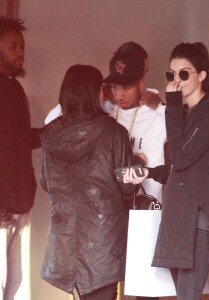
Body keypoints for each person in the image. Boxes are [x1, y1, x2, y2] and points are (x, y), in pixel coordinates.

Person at [124, 42, 209, 300]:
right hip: (181, 218)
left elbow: (182, 158)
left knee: (187, 295)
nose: (177, 81)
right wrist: (149, 173)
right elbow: (178, 166)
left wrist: (171, 107)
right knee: (185, 293)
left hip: (198, 219)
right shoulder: (186, 113)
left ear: (202, 75)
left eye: (184, 74)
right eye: (171, 75)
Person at [39, 64, 137, 300]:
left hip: (66, 237)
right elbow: (127, 185)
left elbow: (45, 181)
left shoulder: (50, 134)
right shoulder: (114, 132)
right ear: (93, 92)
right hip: (104, 238)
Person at [103, 53, 167, 300]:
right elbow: (55, 116)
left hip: (145, 211)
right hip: (111, 211)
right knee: (109, 283)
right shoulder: (107, 111)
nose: (119, 94)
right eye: (114, 87)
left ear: (141, 82)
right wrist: (99, 96)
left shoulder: (156, 114)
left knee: (146, 289)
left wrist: (161, 105)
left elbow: (188, 125)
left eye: (126, 87)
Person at [0, 16, 41, 300]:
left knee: (13, 284)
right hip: (4, 209)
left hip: (17, 206)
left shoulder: (13, 89)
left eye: (22, 45)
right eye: (13, 45)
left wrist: (55, 130)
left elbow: (17, 142)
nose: (21, 51)